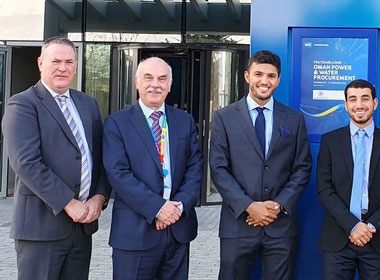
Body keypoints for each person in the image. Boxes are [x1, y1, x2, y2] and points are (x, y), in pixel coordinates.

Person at [1, 37, 111, 280]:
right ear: (40, 63)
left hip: (81, 228)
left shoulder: (88, 104)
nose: (63, 67)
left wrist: (99, 198)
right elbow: (26, 162)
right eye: (56, 61)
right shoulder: (23, 104)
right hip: (41, 228)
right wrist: (68, 203)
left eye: (69, 61)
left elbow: (102, 155)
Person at [209, 50, 312, 280]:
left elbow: (302, 167)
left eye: (271, 76)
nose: (264, 81)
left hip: (280, 225)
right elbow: (218, 168)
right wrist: (249, 206)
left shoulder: (294, 119)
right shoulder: (224, 118)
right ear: (247, 76)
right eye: (258, 74)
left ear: (278, 79)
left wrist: (278, 205)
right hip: (238, 224)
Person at [103, 57, 203, 279]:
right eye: (148, 78)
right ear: (137, 82)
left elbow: (195, 167)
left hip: (178, 230)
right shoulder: (116, 123)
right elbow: (118, 174)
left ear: (169, 85)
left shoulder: (184, 121)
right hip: (135, 232)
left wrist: (177, 209)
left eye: (162, 79)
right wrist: (158, 208)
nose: (155, 84)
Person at [316, 79, 380, 279]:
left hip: (377, 238)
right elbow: (324, 189)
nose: (359, 105)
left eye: (365, 98)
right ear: (346, 105)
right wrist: (352, 225)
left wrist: (371, 226)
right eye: (353, 99)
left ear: (375, 103)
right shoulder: (330, 141)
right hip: (338, 238)